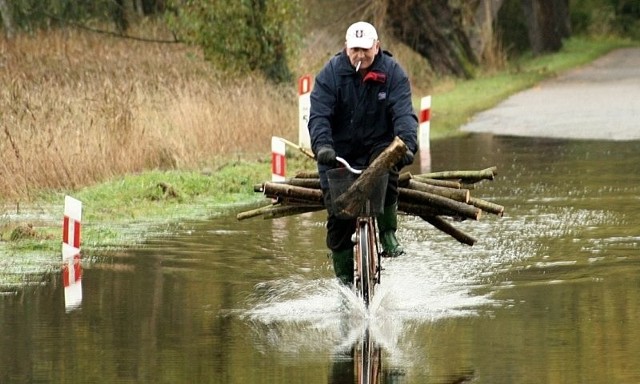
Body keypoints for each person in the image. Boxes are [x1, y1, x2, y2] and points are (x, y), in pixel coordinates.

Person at [308, 21, 419, 284]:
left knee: (387, 165)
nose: (360, 55)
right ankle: (345, 284)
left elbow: (404, 113)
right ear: (346, 47)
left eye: (366, 50)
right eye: (355, 49)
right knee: (339, 217)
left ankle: (388, 231)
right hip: (337, 150)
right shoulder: (330, 74)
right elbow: (319, 115)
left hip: (377, 145)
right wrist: (322, 146)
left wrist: (406, 144)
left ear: (377, 47)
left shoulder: (392, 72)